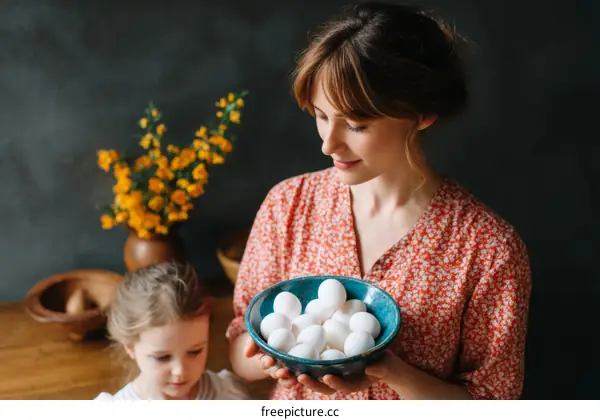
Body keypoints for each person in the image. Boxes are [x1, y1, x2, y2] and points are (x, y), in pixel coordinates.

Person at [226, 1, 532, 400]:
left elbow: (494, 403)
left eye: (356, 124)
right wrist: (272, 357)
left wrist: (390, 373)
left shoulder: (488, 250)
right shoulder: (289, 205)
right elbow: (239, 345)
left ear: (421, 114)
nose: (328, 144)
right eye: (321, 116)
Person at [94, 261, 249, 400]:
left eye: (195, 351)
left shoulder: (227, 395)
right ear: (129, 346)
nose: (180, 371)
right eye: (162, 357)